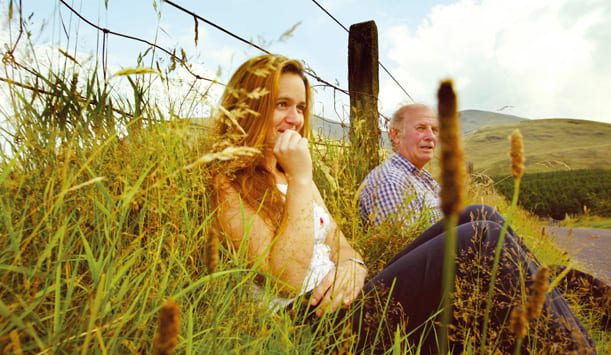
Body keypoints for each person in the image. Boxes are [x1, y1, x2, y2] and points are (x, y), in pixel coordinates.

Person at [212, 54, 595, 353]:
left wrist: (351, 266)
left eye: (300, 107)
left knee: (480, 215)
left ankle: (557, 335)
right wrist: (299, 177)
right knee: (481, 237)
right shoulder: (230, 184)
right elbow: (288, 278)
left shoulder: (295, 176)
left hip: (351, 298)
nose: (295, 119)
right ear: (249, 106)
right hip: (317, 327)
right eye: (282, 104)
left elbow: (344, 245)